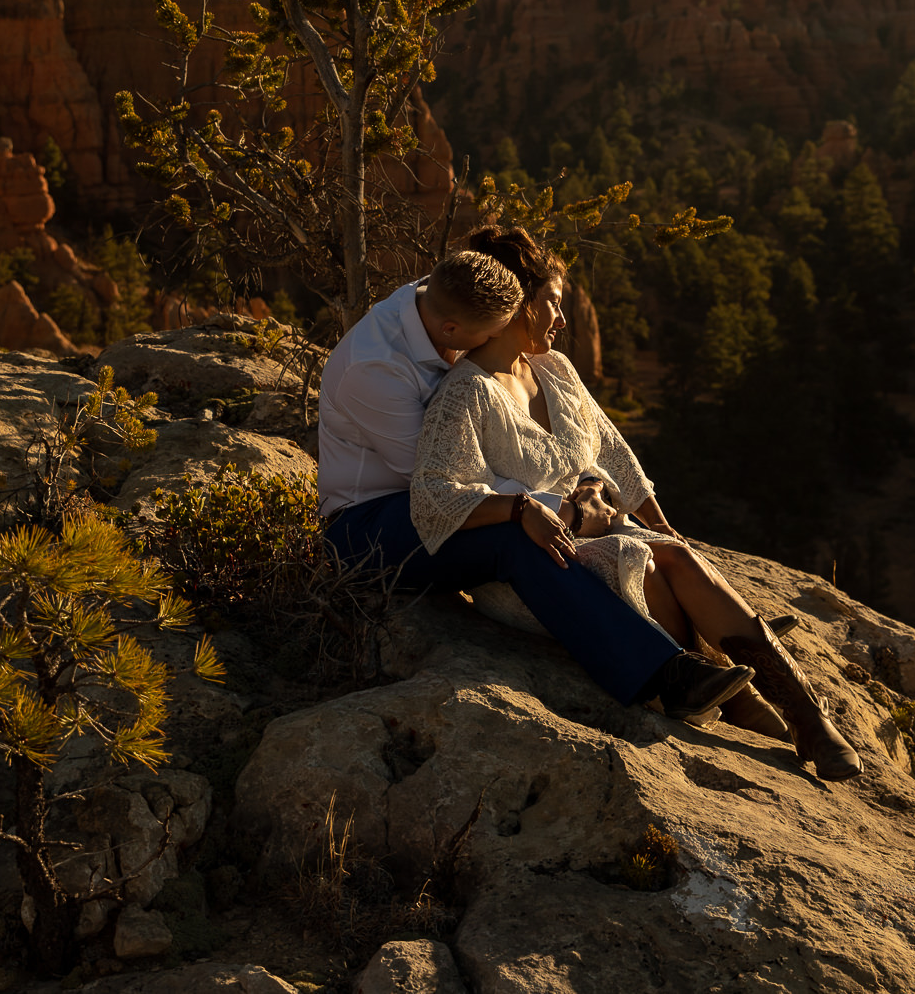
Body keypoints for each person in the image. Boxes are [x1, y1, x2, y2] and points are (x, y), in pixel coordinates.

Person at [411, 227, 864, 781]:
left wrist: (661, 523)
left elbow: (613, 450)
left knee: (671, 553)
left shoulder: (555, 370)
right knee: (645, 560)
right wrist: (521, 508)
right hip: (542, 574)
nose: (562, 317)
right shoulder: (466, 393)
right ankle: (734, 691)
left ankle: (805, 716)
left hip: (601, 533)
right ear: (520, 304)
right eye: (553, 302)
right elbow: (433, 493)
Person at [319, 248, 753, 719]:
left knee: (536, 526)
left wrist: (582, 488)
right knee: (516, 537)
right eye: (490, 337)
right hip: (368, 526)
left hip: (425, 498)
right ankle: (661, 676)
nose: (496, 346)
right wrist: (553, 508)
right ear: (453, 333)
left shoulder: (443, 294)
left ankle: (725, 641)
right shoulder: (376, 370)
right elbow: (440, 486)